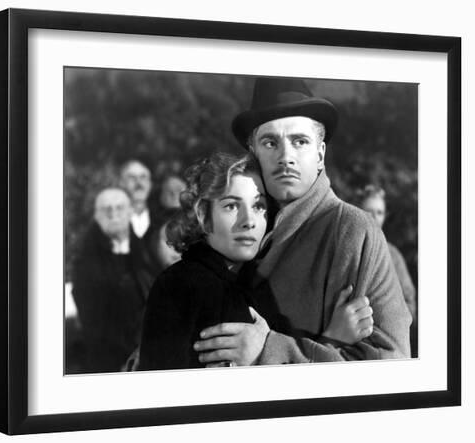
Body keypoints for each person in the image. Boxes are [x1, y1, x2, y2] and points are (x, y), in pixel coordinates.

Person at [194, 77, 412, 366]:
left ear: (320, 155)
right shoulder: (233, 226)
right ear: (253, 153)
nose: (286, 157)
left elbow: (391, 364)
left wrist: (268, 350)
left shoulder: (353, 230)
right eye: (270, 142)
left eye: (300, 141)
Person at [138, 153, 373, 370]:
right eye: (231, 206)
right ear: (203, 215)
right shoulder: (183, 285)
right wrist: (333, 340)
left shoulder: (255, 282)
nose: (248, 221)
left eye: (258, 206)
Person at [72, 187, 155, 373]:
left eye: (119, 207)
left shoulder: (147, 252)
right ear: (96, 216)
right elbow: (93, 321)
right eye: (106, 209)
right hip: (107, 360)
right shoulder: (84, 264)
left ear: (130, 212)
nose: (113, 214)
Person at [356, 184, 418, 355]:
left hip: (387, 343)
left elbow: (410, 302)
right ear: (358, 211)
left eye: (379, 212)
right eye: (369, 211)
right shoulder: (347, 250)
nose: (374, 217)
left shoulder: (394, 256)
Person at [119, 159, 153, 239]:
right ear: (121, 183)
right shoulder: (108, 222)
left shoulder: (162, 221)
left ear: (150, 184)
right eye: (132, 177)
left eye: (143, 177)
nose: (139, 182)